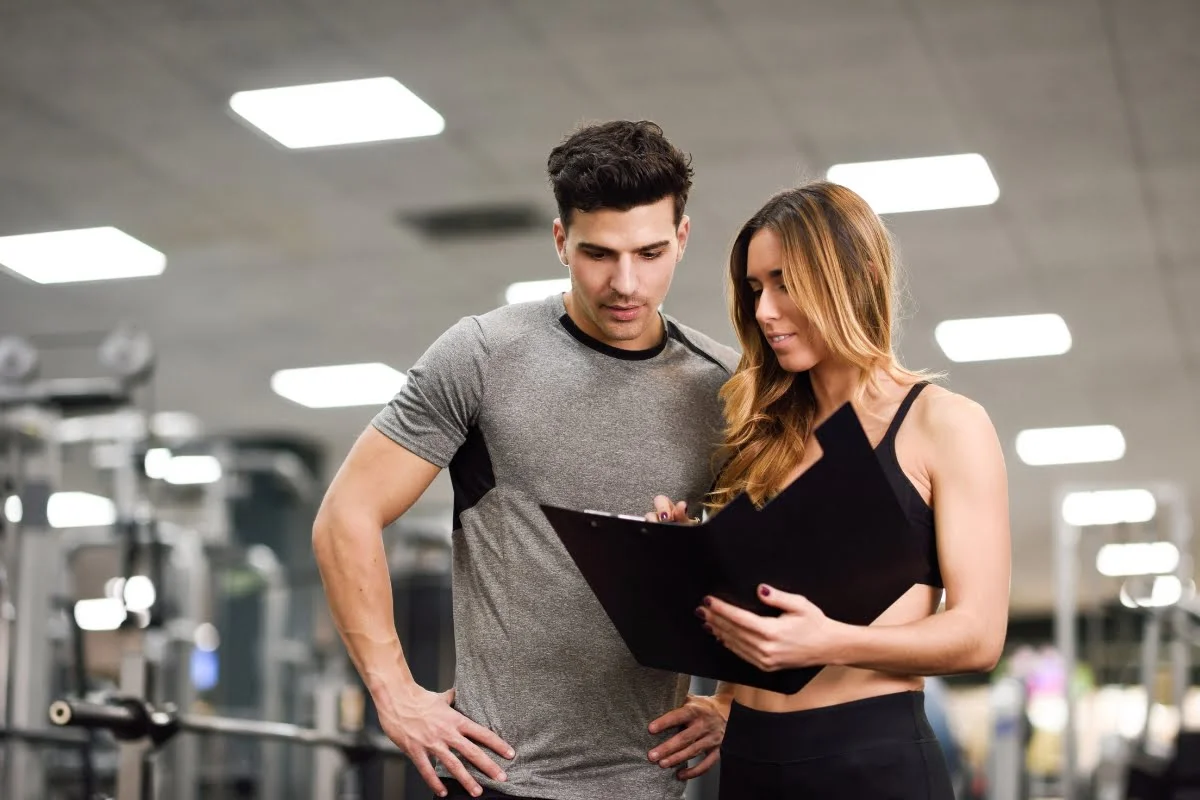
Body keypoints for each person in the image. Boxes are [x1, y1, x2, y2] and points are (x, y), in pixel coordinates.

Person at [312, 120, 739, 800]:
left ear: (682, 240)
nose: (626, 282)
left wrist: (729, 704)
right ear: (560, 240)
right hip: (497, 780)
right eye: (599, 253)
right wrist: (393, 695)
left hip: (652, 786)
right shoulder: (482, 356)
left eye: (650, 252)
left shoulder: (726, 385)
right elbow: (346, 515)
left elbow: (774, 558)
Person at [652, 181, 1011, 799]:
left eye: (785, 282)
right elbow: (758, 622)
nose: (764, 310)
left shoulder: (943, 424)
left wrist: (831, 642)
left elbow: (979, 636)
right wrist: (690, 568)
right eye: (756, 288)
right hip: (751, 764)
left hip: (871, 759)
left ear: (861, 275)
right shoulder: (756, 438)